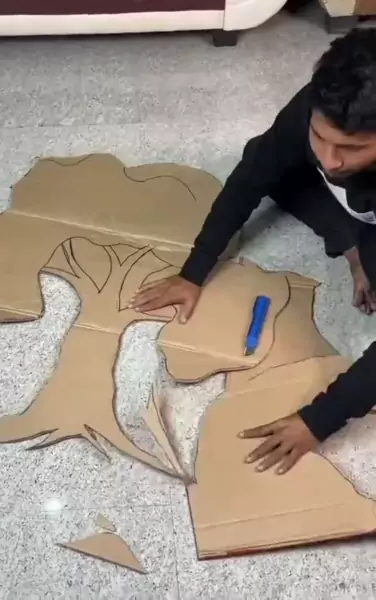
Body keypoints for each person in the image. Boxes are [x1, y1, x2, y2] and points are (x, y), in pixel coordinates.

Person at [130, 29, 376, 475]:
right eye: (320, 137)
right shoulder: (316, 108)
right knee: (267, 159)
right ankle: (353, 247)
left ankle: (361, 250)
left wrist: (317, 421)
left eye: (351, 148)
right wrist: (193, 272)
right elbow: (250, 177)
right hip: (361, 207)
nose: (329, 158)